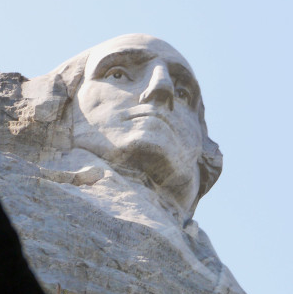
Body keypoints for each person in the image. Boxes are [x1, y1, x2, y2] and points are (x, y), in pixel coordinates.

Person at [19, 34, 222, 220]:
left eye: (182, 94)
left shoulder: (202, 259)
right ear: (62, 97)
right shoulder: (16, 199)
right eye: (118, 74)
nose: (161, 87)